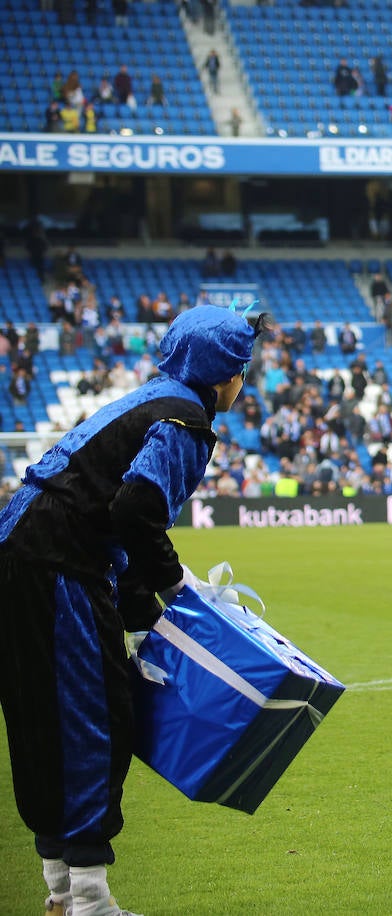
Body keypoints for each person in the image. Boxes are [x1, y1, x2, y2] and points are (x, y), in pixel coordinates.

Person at [0, 304, 269, 915]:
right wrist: (177, 589)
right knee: (96, 719)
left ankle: (62, 892)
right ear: (221, 371)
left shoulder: (152, 397)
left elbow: (112, 515)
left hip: (23, 550)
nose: (243, 382)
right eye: (242, 369)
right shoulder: (185, 417)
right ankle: (91, 903)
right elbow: (135, 509)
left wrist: (140, 609)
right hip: (59, 564)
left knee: (42, 714)